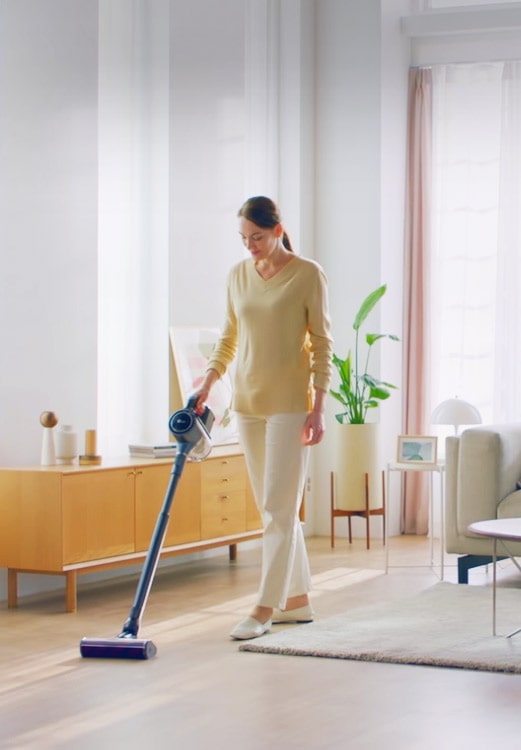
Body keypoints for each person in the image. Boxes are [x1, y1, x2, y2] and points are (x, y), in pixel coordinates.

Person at [193, 196, 333, 640]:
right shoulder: (238, 275)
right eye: (243, 239)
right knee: (275, 508)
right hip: (248, 405)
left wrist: (318, 407)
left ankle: (263, 607)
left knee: (277, 508)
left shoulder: (308, 274)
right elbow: (229, 337)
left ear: (277, 230)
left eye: (256, 237)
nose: (249, 246)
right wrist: (208, 383)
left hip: (292, 405)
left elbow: (322, 343)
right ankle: (297, 601)